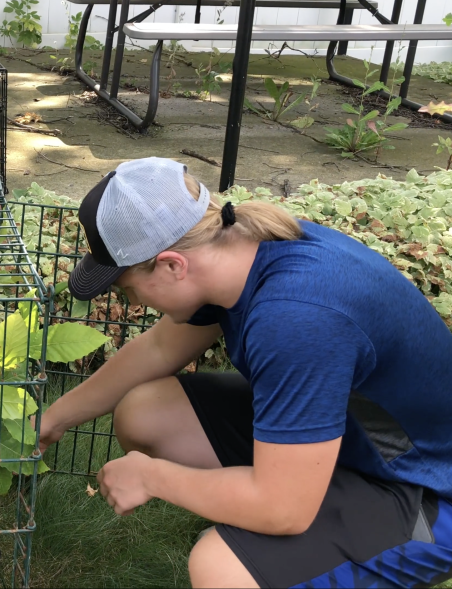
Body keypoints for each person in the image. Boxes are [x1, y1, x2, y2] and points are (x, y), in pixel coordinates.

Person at [37, 157, 452, 588]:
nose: (135, 304)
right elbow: (158, 348)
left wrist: (151, 477)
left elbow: (282, 508)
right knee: (146, 413)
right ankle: (281, 541)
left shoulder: (294, 318)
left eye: (128, 288)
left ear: (172, 265)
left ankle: (268, 559)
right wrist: (55, 419)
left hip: (427, 490)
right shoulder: (238, 250)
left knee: (221, 569)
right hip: (349, 447)